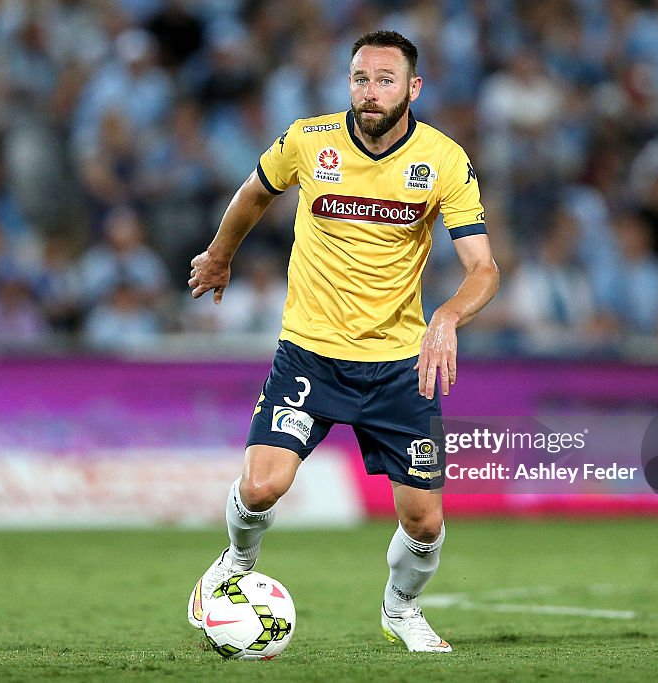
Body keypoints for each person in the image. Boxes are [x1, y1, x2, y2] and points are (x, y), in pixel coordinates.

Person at [186, 30, 499, 653]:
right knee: (261, 487)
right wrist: (220, 255)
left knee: (425, 521)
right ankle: (235, 566)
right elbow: (254, 193)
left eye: (386, 80)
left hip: (398, 365)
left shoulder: (442, 159)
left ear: (413, 88)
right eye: (360, 78)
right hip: (310, 352)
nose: (371, 91)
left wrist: (446, 318)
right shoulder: (308, 140)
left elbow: (484, 270)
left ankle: (401, 609)